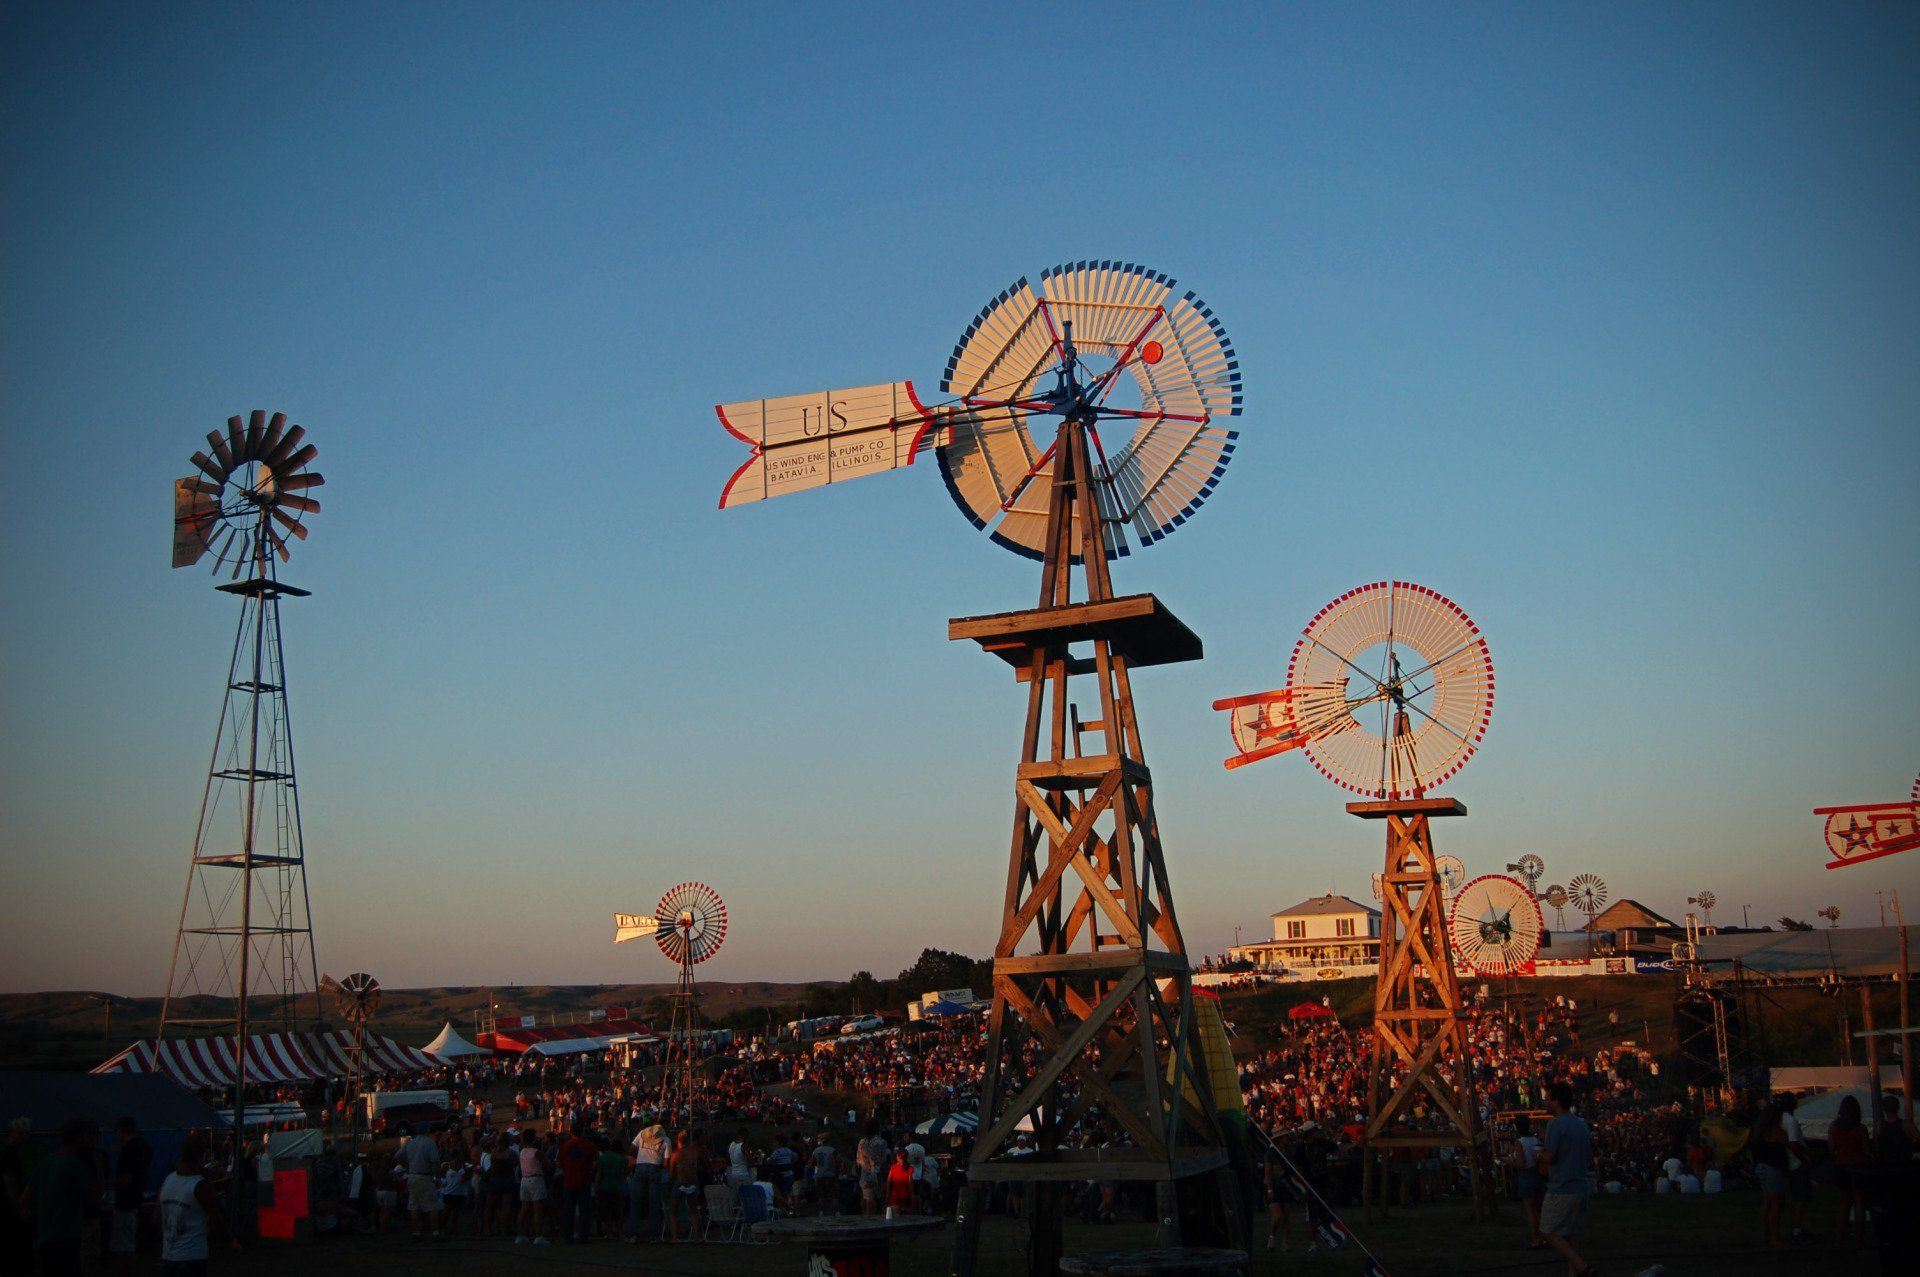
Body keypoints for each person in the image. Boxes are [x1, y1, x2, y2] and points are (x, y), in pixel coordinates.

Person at [23, 1118, 96, 1277]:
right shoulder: (78, 1166)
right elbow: (94, 1197)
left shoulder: (45, 1162)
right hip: (67, 1236)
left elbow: (25, 1197)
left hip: (44, 1236)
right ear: (79, 1137)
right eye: (87, 1136)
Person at [1537, 1082, 1595, 1277]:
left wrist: (1537, 1155)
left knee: (1547, 1231)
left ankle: (1582, 1267)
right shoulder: (1581, 1124)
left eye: (1547, 1099)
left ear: (1556, 1101)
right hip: (1581, 1185)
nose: (1545, 1102)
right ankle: (1574, 1273)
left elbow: (1550, 1156)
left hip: (1561, 1186)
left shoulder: (1555, 1123)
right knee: (1572, 1236)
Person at [158, 1133, 228, 1277]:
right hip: (192, 1257)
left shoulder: (168, 1180)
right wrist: (230, 1239)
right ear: (201, 1155)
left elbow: (156, 1216)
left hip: (169, 1255)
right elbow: (216, 1218)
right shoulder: (200, 1185)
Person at [108, 1116, 151, 1270]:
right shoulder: (143, 1146)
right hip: (136, 1198)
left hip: (125, 1201)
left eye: (118, 1131)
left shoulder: (129, 1149)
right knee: (128, 1242)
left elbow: (126, 1178)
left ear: (122, 1130)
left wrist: (106, 1185)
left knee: (123, 1247)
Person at [1828, 1094, 1869, 1250]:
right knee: (1859, 1203)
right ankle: (1859, 1239)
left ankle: (1840, 1238)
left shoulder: (1834, 1127)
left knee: (1844, 1203)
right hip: (1858, 1166)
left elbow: (1831, 1150)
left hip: (1842, 1166)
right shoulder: (1860, 1129)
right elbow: (1866, 1150)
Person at [1751, 1103, 1789, 1250]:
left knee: (1767, 1202)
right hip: (1772, 1167)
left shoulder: (1759, 1130)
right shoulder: (1775, 1130)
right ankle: (1774, 1237)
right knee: (1776, 1203)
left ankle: (1767, 1233)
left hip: (1762, 1167)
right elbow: (1789, 1144)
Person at [1777, 1093, 1813, 1241]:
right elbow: (1793, 1143)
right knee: (1799, 1198)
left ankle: (1792, 1227)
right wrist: (1803, 1159)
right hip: (1795, 1163)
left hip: (1787, 1162)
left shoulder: (1779, 1120)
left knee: (1793, 1198)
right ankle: (1796, 1230)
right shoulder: (1790, 1121)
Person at [398, 1124, 442, 1239]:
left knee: (414, 1207)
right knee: (432, 1206)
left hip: (412, 1176)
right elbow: (435, 1162)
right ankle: (435, 1233)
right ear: (426, 1131)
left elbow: (397, 1156)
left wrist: (407, 1166)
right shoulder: (430, 1143)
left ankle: (415, 1233)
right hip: (425, 1177)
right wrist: (437, 1178)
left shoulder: (410, 1143)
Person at [627, 1124, 669, 1242]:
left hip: (640, 1167)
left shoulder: (641, 1134)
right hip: (655, 1168)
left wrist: (639, 1158)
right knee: (654, 1203)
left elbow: (631, 1150)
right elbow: (666, 1163)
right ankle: (653, 1235)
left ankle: (633, 1234)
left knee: (636, 1202)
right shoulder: (666, 1141)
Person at [557, 1122, 597, 1244]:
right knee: (584, 1211)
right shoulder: (589, 1145)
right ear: (582, 1132)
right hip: (584, 1181)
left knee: (568, 1210)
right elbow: (595, 1164)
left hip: (569, 1181)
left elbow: (558, 1163)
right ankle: (583, 1236)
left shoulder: (565, 1146)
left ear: (571, 1132)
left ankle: (568, 1237)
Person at [1513, 1113, 1545, 1250]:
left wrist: (1508, 1161)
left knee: (1531, 1211)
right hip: (1537, 1174)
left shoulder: (1520, 1142)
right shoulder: (1535, 1140)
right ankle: (1545, 1237)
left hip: (1526, 1175)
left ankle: (1536, 1239)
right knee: (1540, 1209)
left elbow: (1520, 1164)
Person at [515, 1130, 550, 1245]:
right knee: (537, 1209)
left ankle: (520, 1235)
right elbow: (547, 1165)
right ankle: (538, 1235)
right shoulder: (536, 1152)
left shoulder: (522, 1151)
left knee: (524, 1208)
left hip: (524, 1180)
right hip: (535, 1179)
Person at [810, 1134, 840, 1216]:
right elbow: (836, 1163)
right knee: (834, 1195)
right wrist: (837, 1172)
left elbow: (811, 1163)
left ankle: (821, 1212)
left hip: (819, 1175)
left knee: (821, 1196)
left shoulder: (816, 1151)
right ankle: (836, 1212)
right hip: (830, 1175)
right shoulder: (832, 1150)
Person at [885, 1147, 914, 1217]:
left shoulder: (893, 1167)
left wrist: (887, 1195)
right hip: (906, 1196)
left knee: (895, 1220)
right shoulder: (909, 1168)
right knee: (906, 1220)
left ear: (898, 1156)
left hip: (895, 1196)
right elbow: (911, 1185)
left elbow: (889, 1181)